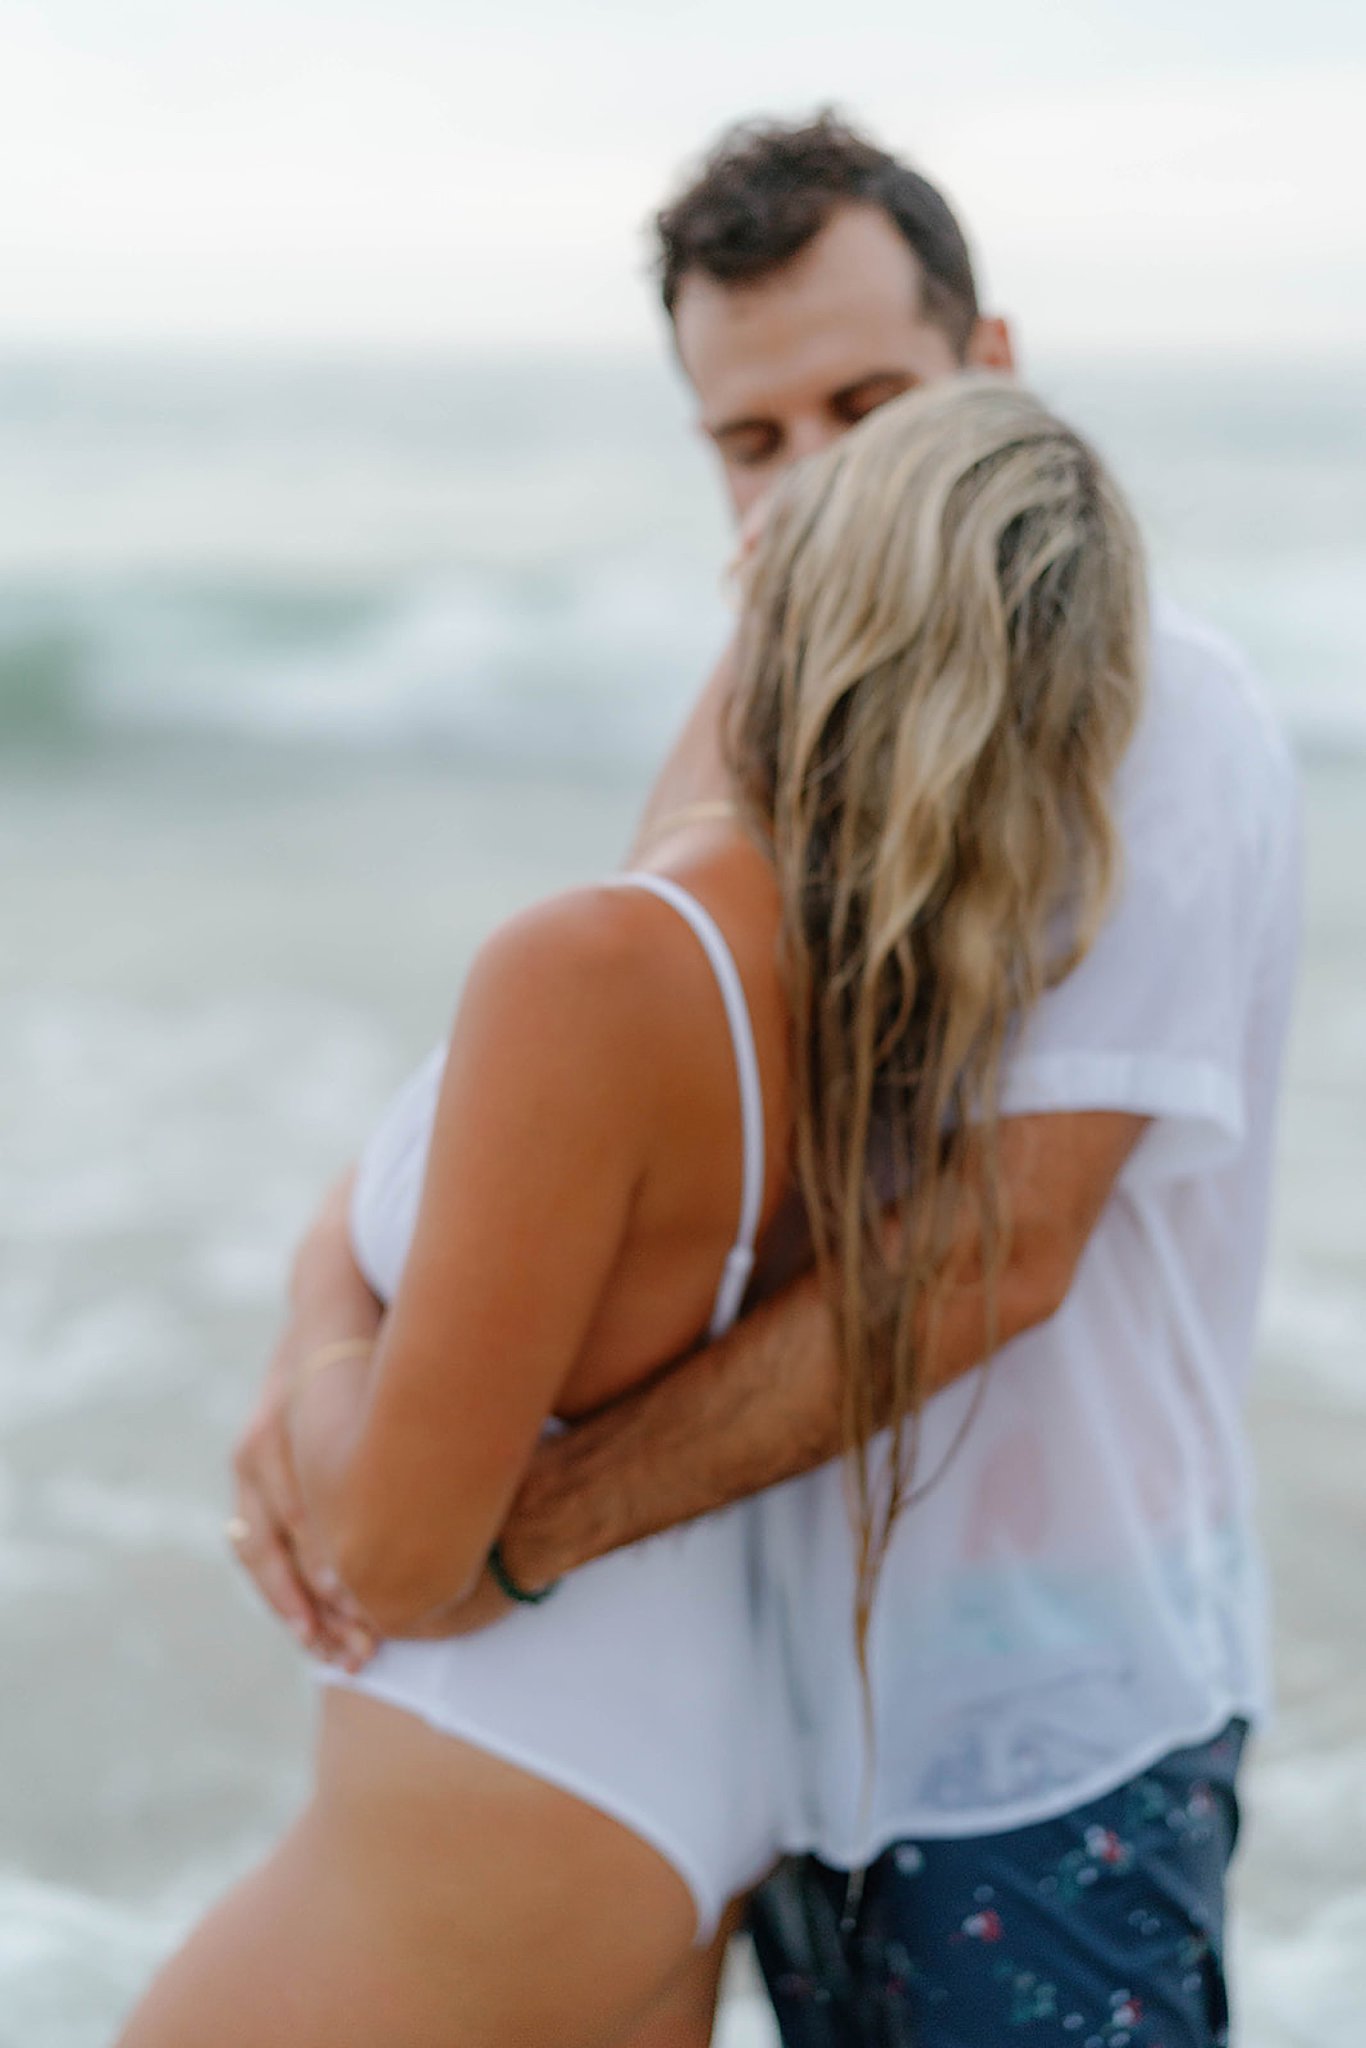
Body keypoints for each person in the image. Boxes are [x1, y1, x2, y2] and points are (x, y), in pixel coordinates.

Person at [228, 118, 1301, 2048]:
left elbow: (994, 1246)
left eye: (864, 406)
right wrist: (329, 1327)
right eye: (751, 438)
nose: (811, 481)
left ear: (991, 364)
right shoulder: (776, 723)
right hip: (785, 1707)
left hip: (1042, 1722)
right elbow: (564, 1125)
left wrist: (522, 1530)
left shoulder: (1155, 706)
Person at [117, 374, 1149, 2046]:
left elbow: (398, 1560)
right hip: (657, 1774)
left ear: (796, 598)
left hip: (497, 1774)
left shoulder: (599, 965)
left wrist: (321, 1308)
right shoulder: (883, 1002)